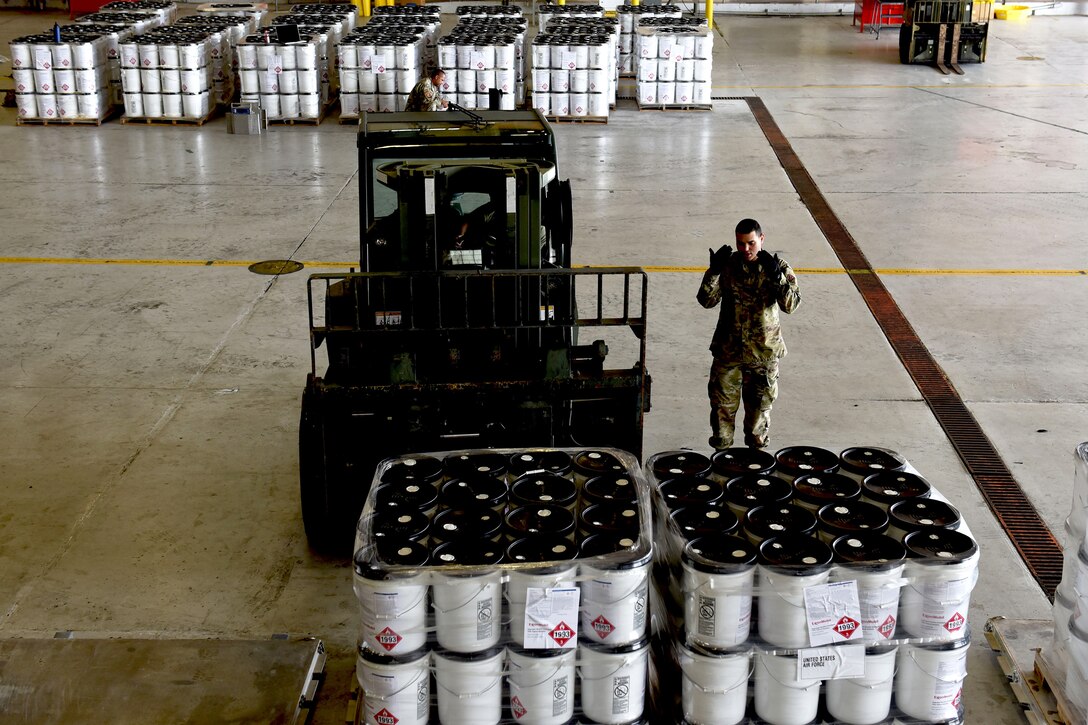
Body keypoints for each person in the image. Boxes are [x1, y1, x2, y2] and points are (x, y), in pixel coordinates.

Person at [698, 218, 802, 450]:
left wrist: (777, 277)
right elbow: (706, 301)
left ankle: (754, 475)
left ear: (762, 239)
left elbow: (792, 305)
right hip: (728, 354)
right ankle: (721, 469)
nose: (745, 249)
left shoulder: (778, 267)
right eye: (740, 243)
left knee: (757, 428)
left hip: (763, 356)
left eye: (751, 243)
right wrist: (713, 271)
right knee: (721, 421)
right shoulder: (728, 265)